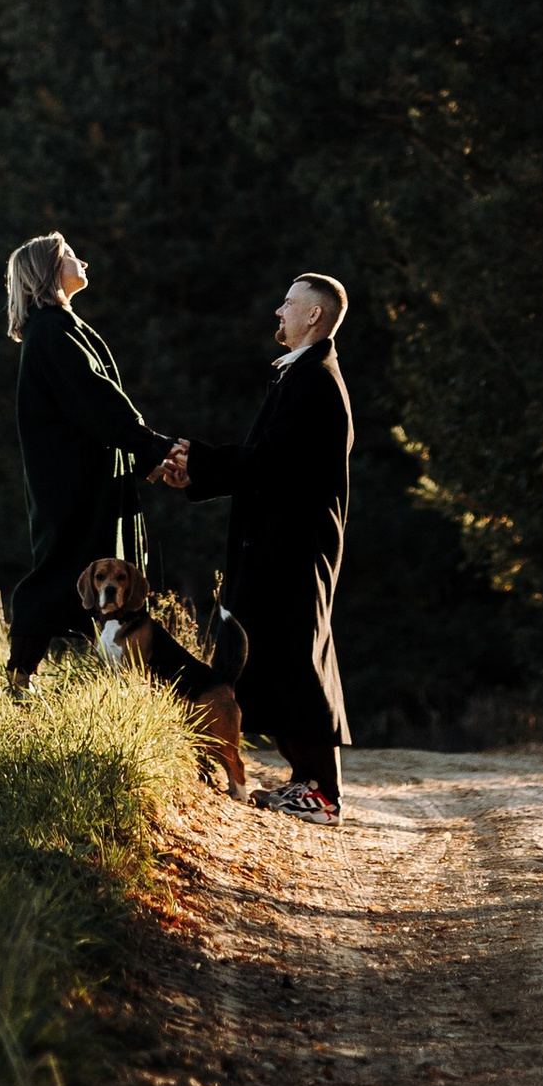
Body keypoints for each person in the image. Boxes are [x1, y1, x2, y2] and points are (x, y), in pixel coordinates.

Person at [157, 270, 353, 823]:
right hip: (278, 544)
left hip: (295, 548)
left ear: (314, 315)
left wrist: (197, 459)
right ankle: (305, 782)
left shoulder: (315, 381)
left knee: (298, 657)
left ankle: (323, 794)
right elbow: (263, 461)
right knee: (275, 654)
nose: (278, 312)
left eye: (288, 303)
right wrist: (197, 473)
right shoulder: (299, 374)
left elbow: (269, 462)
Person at [2, 229, 174, 691]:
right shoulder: (50, 330)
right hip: (70, 481)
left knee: (103, 568)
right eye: (72, 255)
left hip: (88, 475)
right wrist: (153, 447)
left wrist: (145, 455)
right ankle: (19, 679)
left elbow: (101, 406)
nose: (83, 262)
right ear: (48, 270)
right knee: (62, 569)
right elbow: (97, 402)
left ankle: (131, 683)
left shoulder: (60, 326)